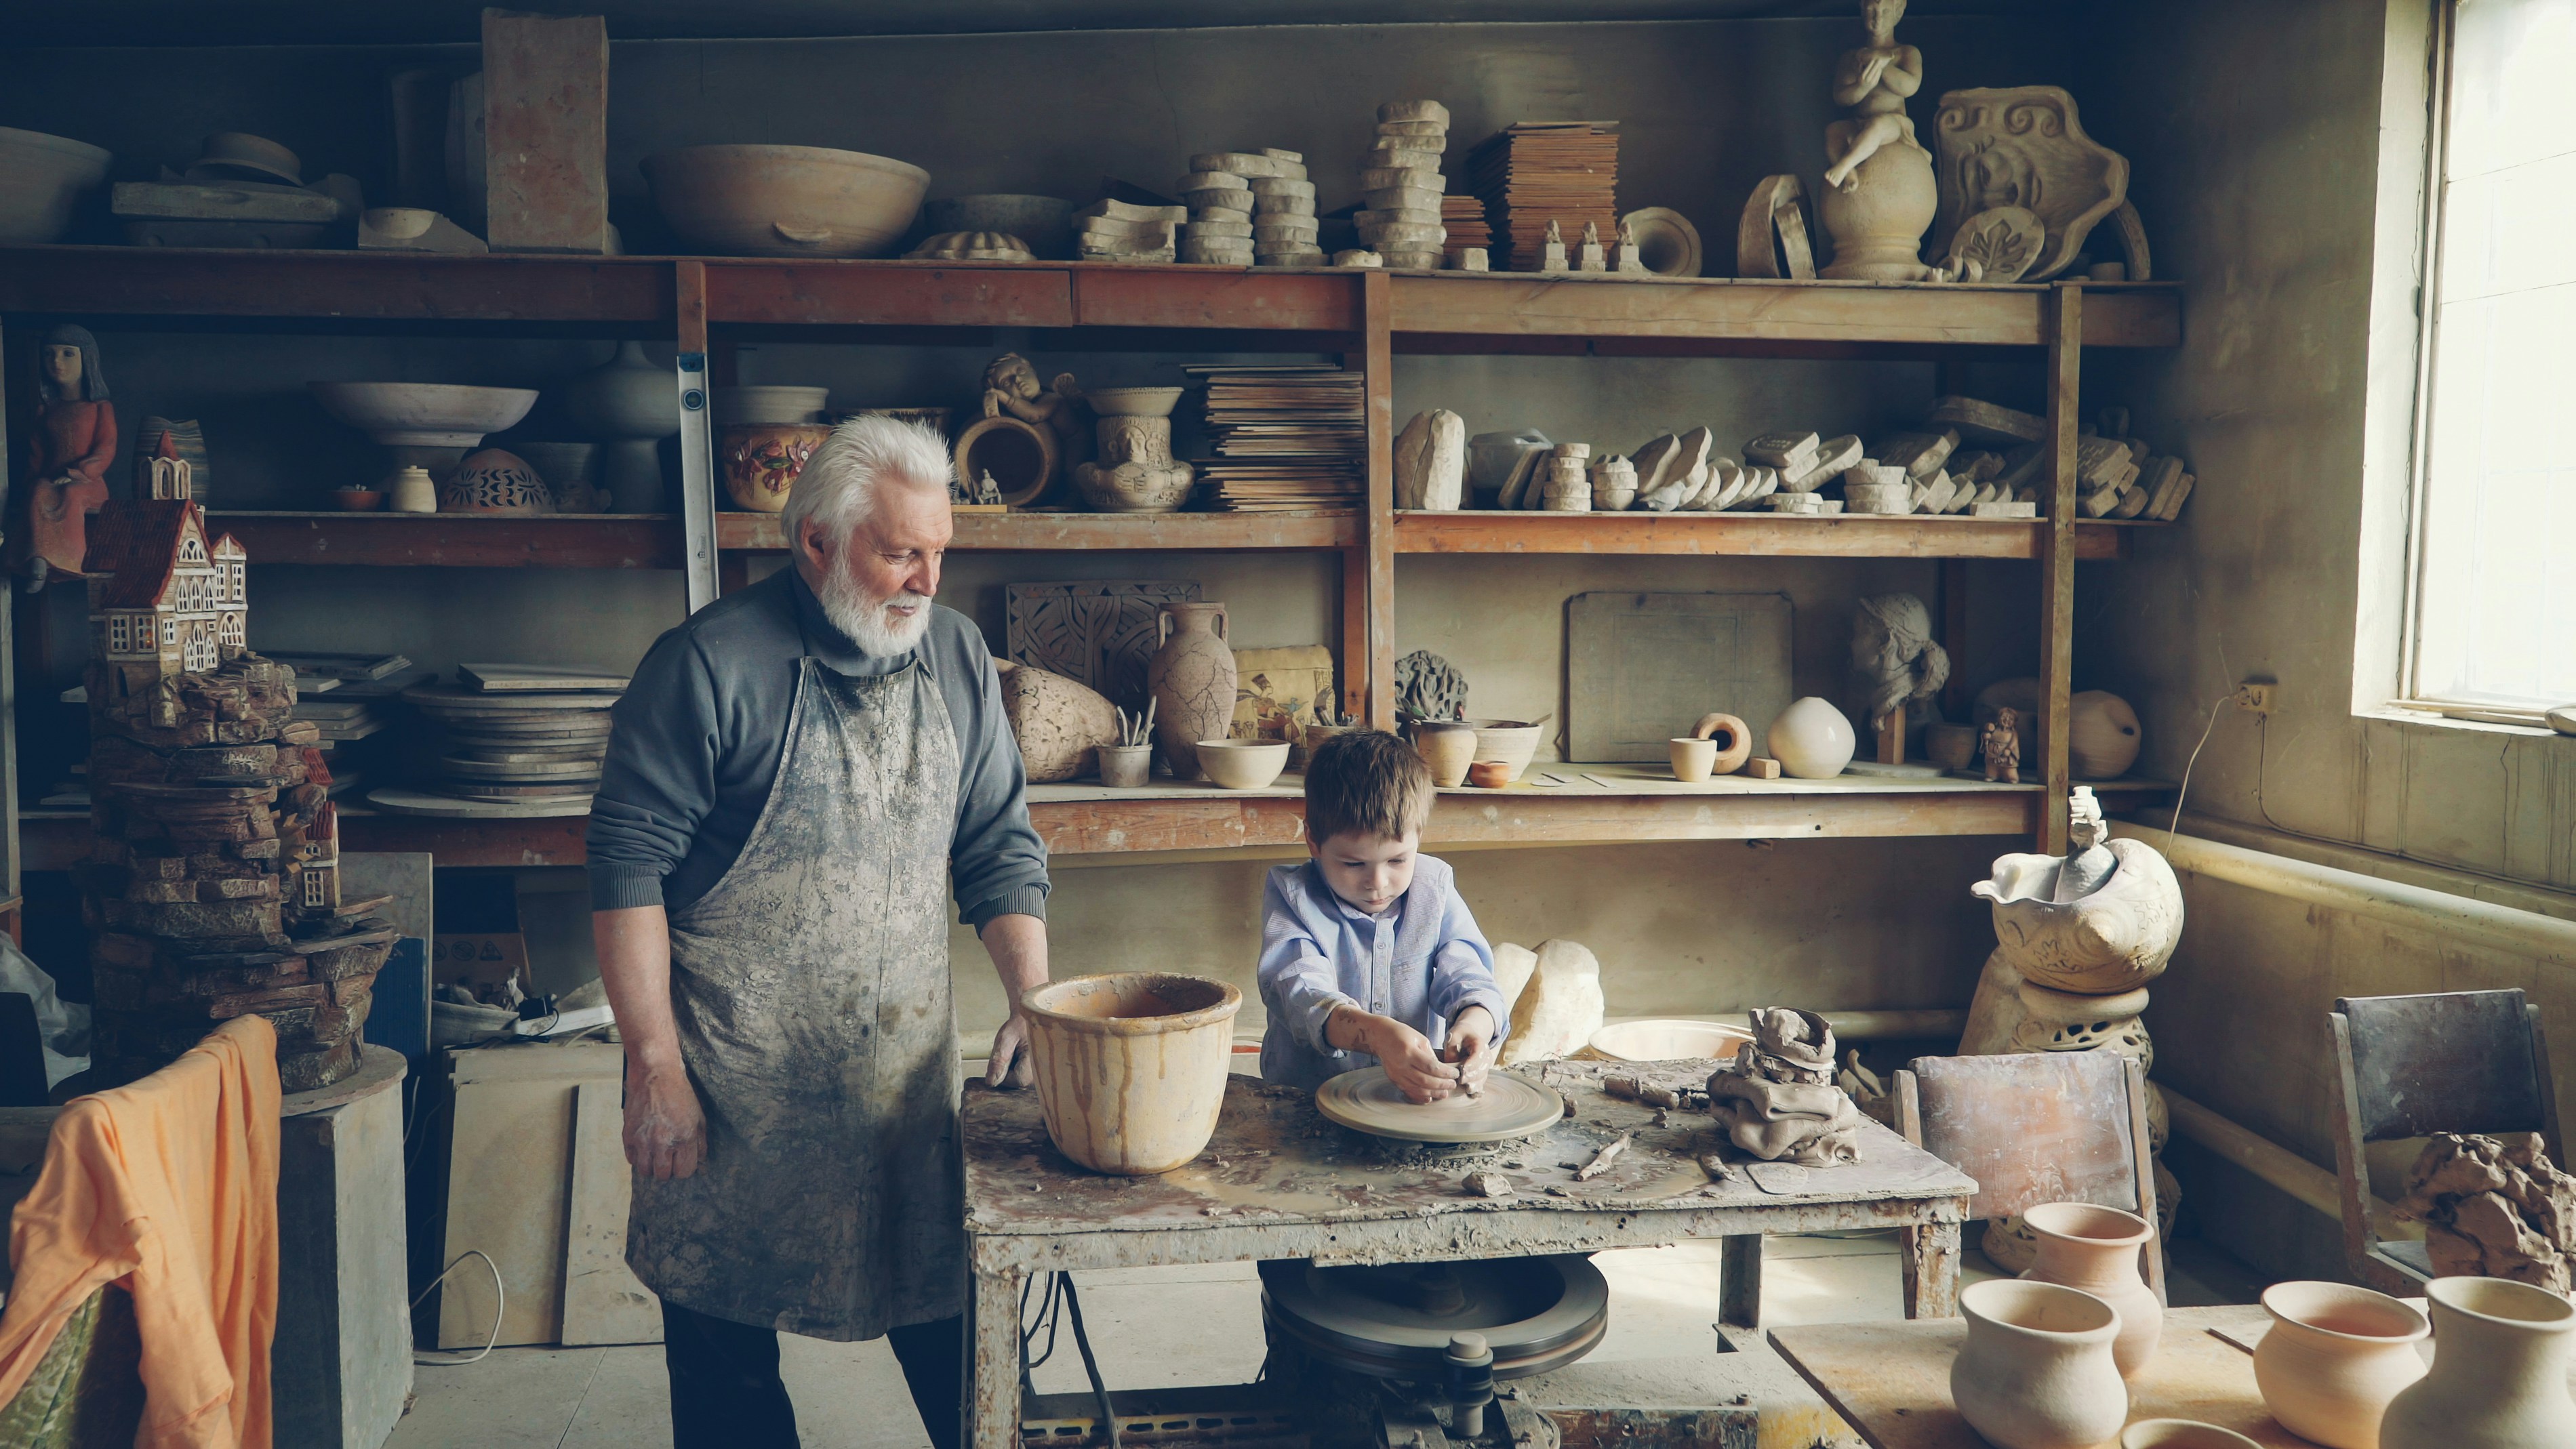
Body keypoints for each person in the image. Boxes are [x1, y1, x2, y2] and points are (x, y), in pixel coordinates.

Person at [586, 413, 1051, 1449]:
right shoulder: (707, 665)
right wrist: (653, 1060)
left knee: (969, 1362)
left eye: (939, 553)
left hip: (904, 1095)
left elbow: (999, 845)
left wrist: (1031, 996)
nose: (928, 581)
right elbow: (627, 869)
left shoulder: (960, 659)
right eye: (900, 553)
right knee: (731, 1389)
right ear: (816, 544)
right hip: (732, 1100)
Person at [1256, 729, 1507, 1102]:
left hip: (1408, 1099)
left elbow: (1467, 972)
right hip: (1308, 1096)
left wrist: (1475, 1023)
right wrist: (1374, 1034)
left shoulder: (1434, 888)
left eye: (1397, 860)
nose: (1378, 882)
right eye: (1353, 863)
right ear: (1313, 840)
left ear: (1418, 837)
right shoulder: (1293, 896)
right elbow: (1299, 991)